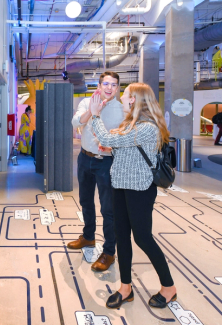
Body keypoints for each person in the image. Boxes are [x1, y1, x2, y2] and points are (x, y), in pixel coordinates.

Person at [90, 82, 177, 309]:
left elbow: (108, 139)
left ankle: (169, 287)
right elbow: (116, 144)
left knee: (143, 238)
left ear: (134, 100)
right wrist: (111, 146)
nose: (121, 98)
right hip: (120, 185)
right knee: (121, 236)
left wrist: (95, 115)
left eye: (125, 95)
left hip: (140, 189)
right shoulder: (131, 123)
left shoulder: (148, 127)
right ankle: (125, 287)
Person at [69, 72, 124, 272]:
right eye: (106, 84)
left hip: (106, 163)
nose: (109, 88)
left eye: (114, 85)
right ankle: (88, 237)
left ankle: (109, 252)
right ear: (99, 85)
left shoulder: (121, 109)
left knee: (108, 209)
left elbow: (124, 137)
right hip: (84, 158)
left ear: (117, 88)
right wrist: (92, 111)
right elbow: (76, 123)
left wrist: (112, 147)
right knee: (85, 201)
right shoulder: (86, 102)